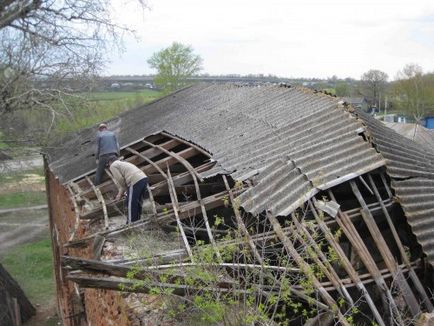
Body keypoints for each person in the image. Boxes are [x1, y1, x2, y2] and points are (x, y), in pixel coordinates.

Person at [108, 157, 148, 224]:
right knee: (138, 202)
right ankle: (137, 220)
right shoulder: (122, 163)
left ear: (110, 162)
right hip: (143, 178)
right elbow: (122, 185)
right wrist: (119, 195)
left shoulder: (112, 166)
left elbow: (120, 179)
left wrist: (126, 189)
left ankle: (130, 223)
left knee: (130, 203)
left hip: (134, 181)